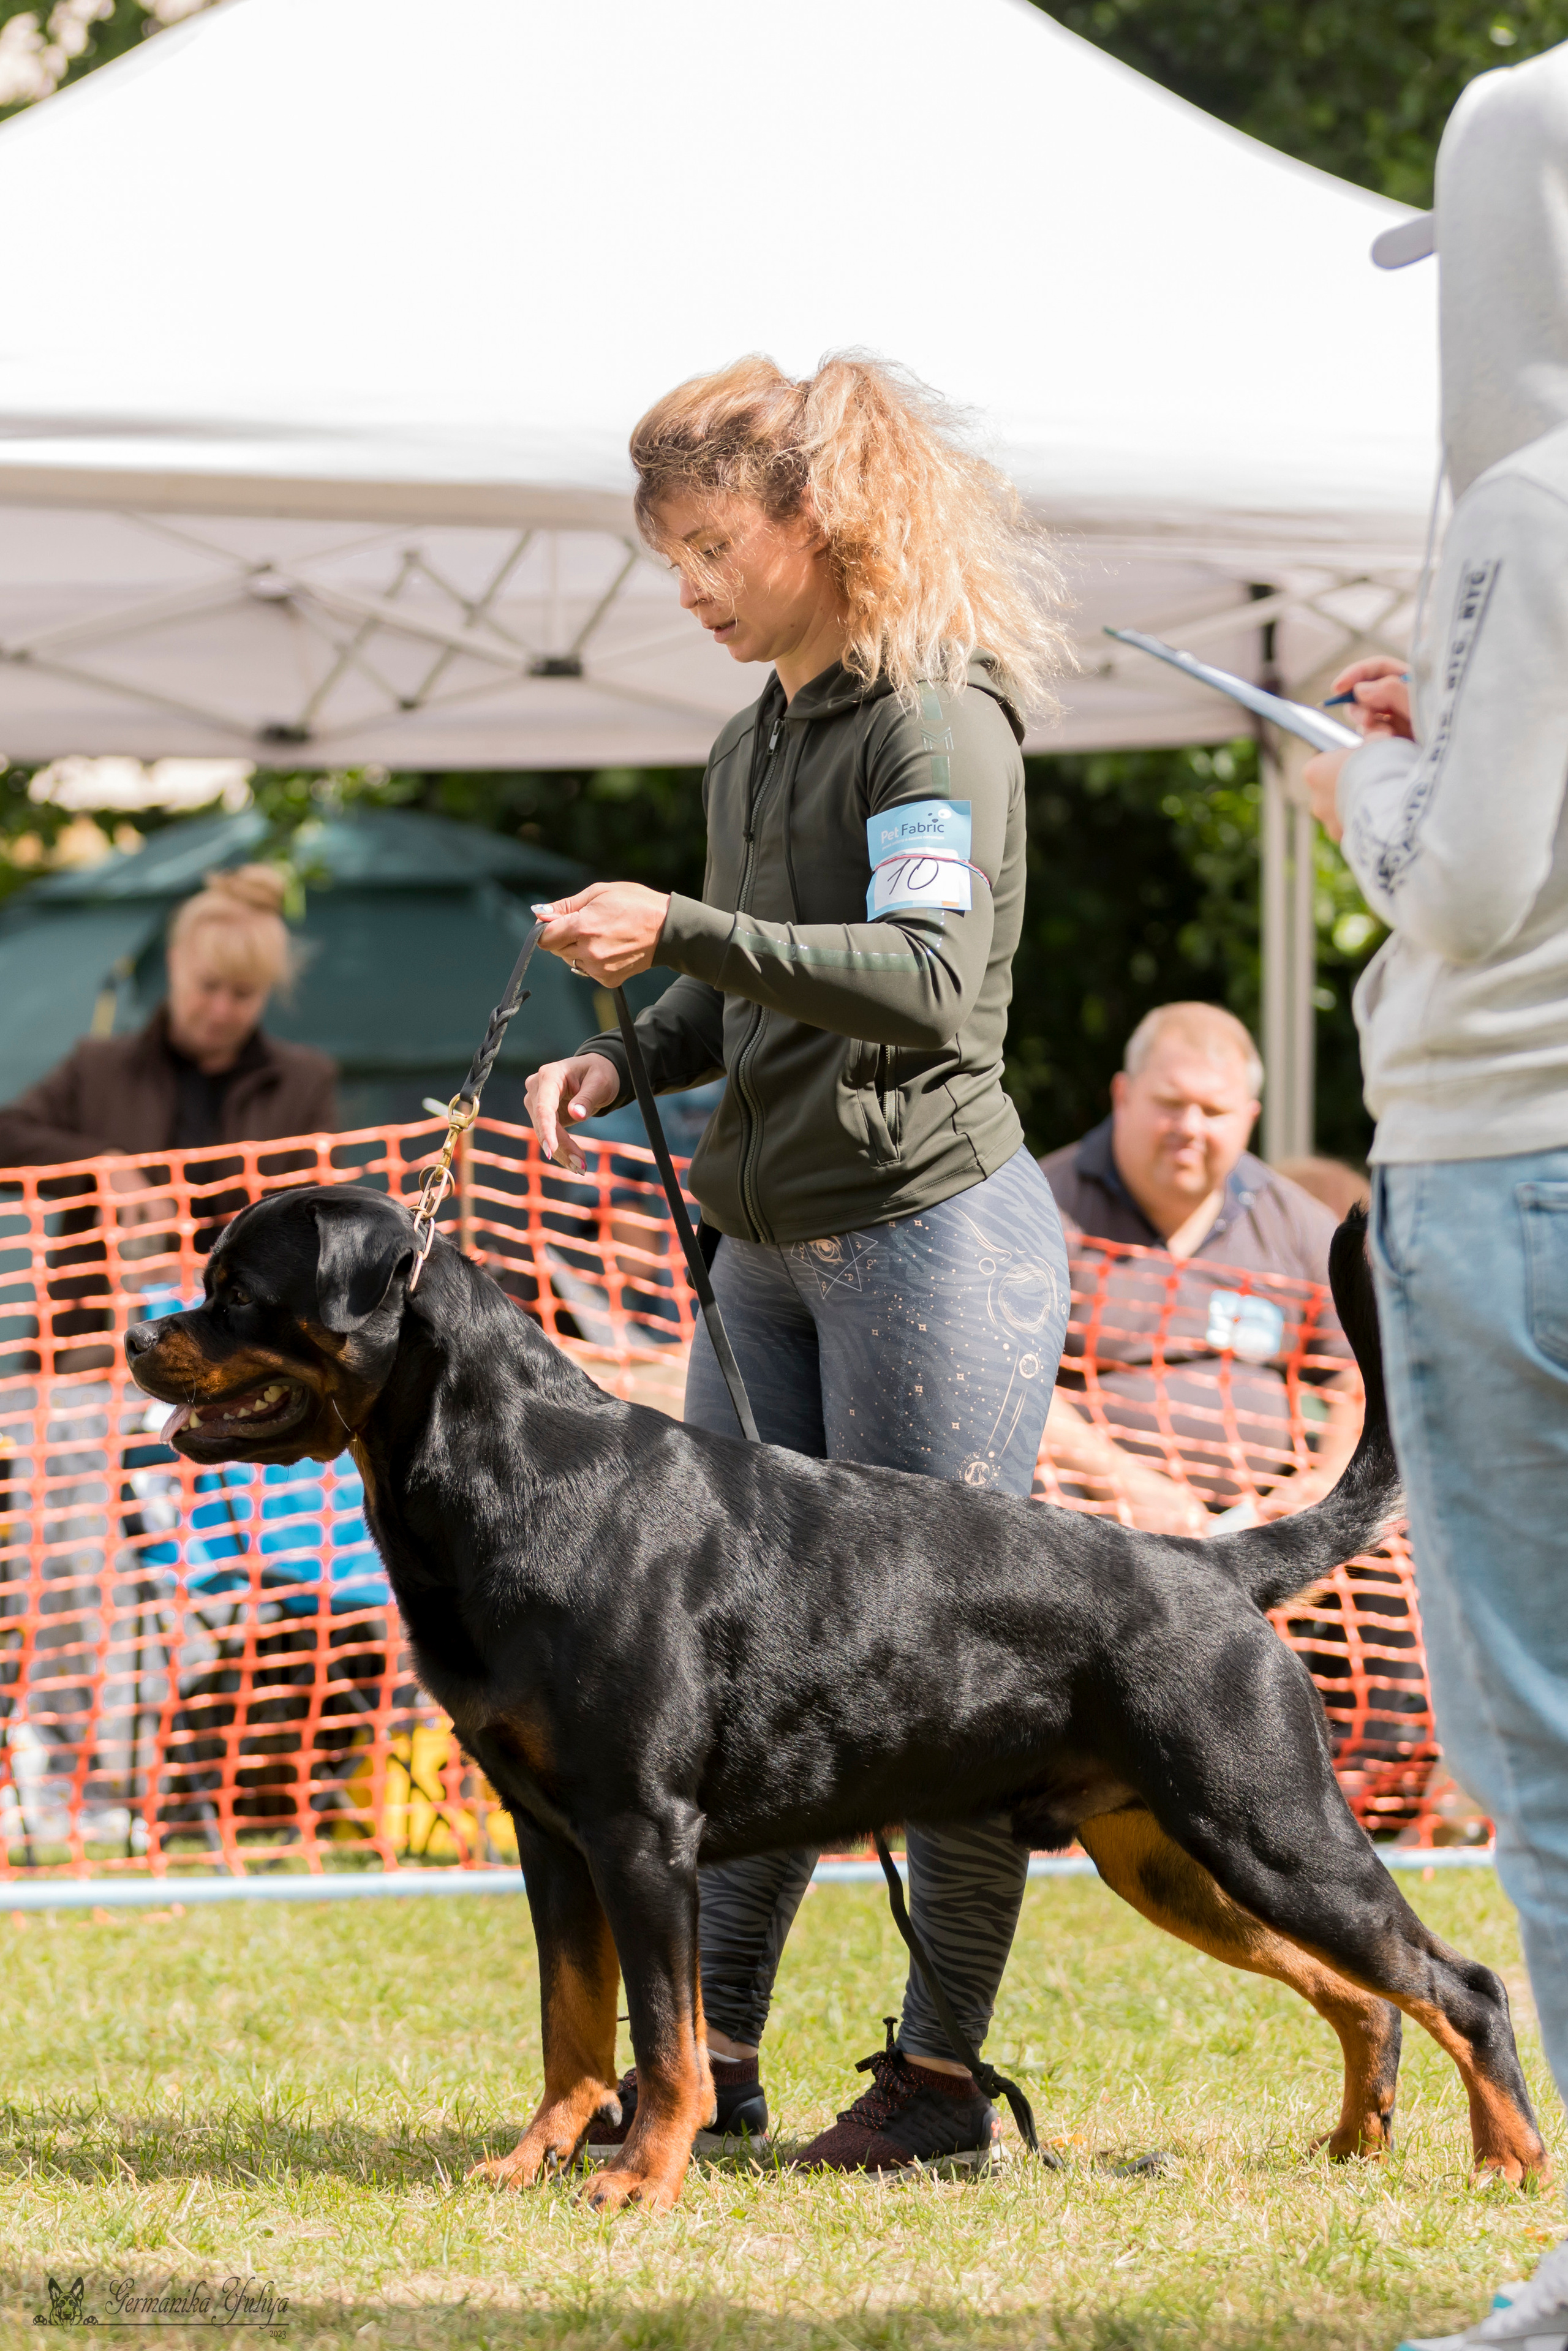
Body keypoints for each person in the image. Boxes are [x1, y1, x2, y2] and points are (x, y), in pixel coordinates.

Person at [522, 352, 1073, 2173]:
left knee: (952, 1672)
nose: (683, 583)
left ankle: (932, 2084)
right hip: (760, 1249)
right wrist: (635, 1048)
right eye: (665, 550)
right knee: (735, 1670)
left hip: (926, 1242)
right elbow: (742, 980)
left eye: (705, 543)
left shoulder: (933, 723)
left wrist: (679, 925)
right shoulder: (753, 732)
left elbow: (919, 981)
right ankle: (719, 2060)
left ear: (815, 525)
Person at [1303, 43, 1568, 2350]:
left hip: (1513, 1165)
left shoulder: (1529, 501)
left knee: (1546, 1744)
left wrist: (1343, 782)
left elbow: (1465, 889)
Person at [1038, 1003, 1360, 1534]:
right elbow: (1010, 1381)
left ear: (1249, 1119)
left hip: (1266, 1529)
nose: (1188, 1128)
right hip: (1088, 1519)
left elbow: (1354, 1377)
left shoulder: (1300, 1224)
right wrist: (1120, 1482)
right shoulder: (1044, 1206)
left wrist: (1325, 1484)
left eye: (1213, 1112)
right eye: (1169, 1104)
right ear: (1123, 1096)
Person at [0, 865, 338, 1168]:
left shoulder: (304, 1083)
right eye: (208, 986)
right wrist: (101, 1166)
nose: (221, 1011)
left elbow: (318, 1211)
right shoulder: (97, 1068)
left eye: (242, 994)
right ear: (175, 964)